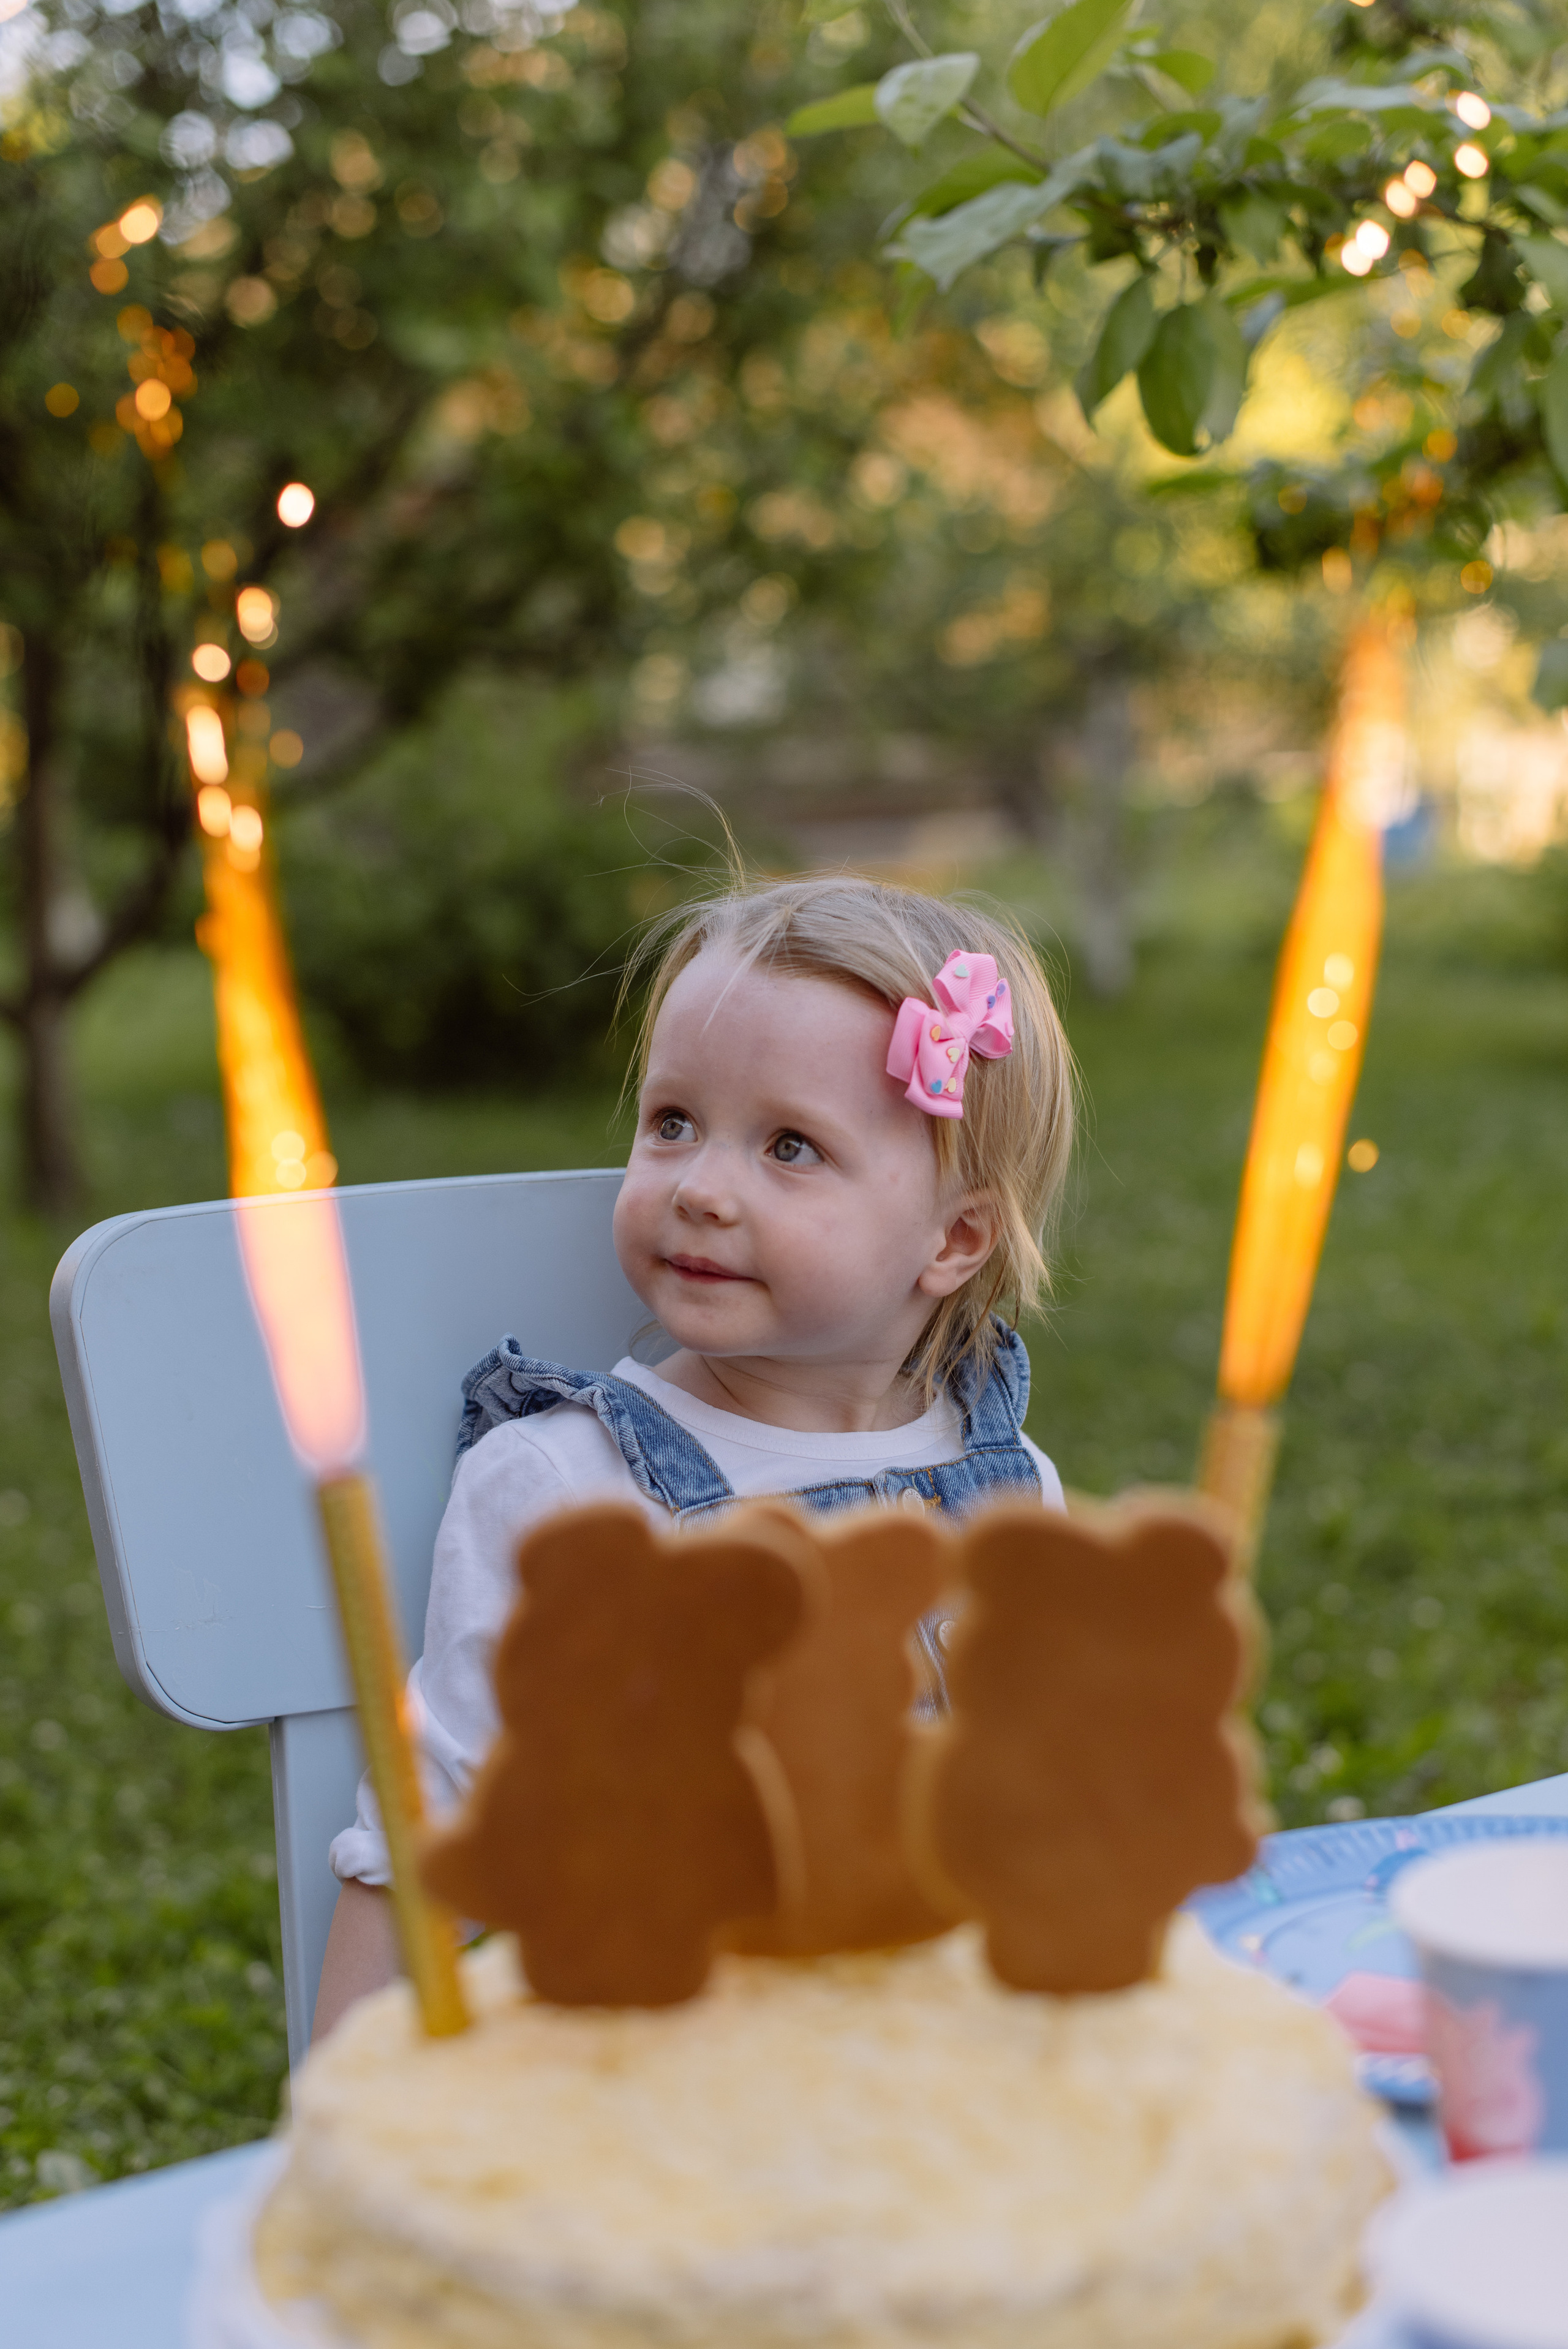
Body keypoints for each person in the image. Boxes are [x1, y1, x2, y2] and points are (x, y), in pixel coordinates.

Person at [312, 873, 1076, 2035]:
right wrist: (336, 2118)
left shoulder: (1006, 1482)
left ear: (955, 1238)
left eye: (788, 1147)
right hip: (679, 2087)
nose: (701, 1189)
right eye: (672, 1123)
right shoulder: (568, 1490)